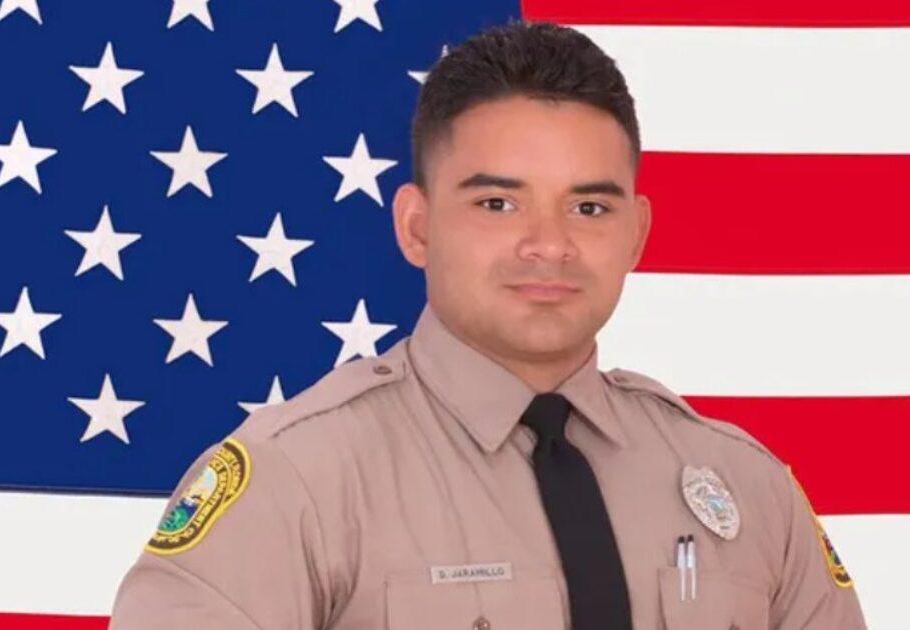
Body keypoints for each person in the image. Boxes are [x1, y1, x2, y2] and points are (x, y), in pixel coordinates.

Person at [110, 19, 867, 630]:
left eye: (590, 207)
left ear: (637, 235)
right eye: (497, 204)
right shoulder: (298, 482)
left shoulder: (745, 487)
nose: (549, 244)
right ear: (417, 226)